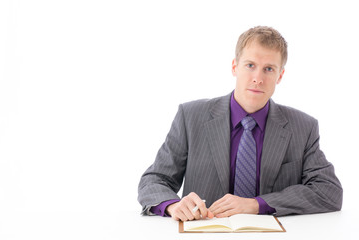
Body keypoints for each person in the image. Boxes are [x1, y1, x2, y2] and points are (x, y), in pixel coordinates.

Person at [137, 26, 343, 221]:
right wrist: (173, 205)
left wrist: (257, 204)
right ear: (235, 67)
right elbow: (154, 180)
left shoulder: (303, 127)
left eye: (269, 69)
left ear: (280, 75)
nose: (257, 78)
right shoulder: (191, 116)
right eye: (250, 65)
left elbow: (329, 190)